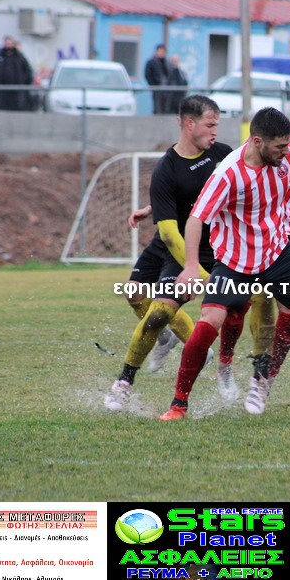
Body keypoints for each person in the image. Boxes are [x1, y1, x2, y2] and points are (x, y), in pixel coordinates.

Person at [160, 107, 290, 420]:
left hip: (277, 254)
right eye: (280, 146)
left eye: (288, 145)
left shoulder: (285, 153)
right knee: (209, 323)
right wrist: (191, 266)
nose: (287, 151)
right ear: (258, 142)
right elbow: (195, 219)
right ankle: (178, 405)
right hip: (235, 263)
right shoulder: (228, 174)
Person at [104, 95, 232, 411]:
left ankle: (124, 382)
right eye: (210, 125)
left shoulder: (222, 154)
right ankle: (168, 339)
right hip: (173, 242)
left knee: (159, 312)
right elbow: (169, 233)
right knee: (134, 293)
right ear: (189, 124)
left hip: (205, 247)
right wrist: (197, 272)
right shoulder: (166, 168)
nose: (215, 131)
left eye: (216, 125)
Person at [215, 88, 290, 413]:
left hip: (284, 233)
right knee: (238, 305)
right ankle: (225, 365)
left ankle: (264, 378)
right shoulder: (270, 142)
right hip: (248, 233)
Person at [0, 35, 33, 111]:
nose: (8, 46)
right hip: (2, 92)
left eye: (9, 43)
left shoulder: (19, 57)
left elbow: (27, 71)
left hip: (17, 92)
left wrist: (24, 82)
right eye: (6, 43)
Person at [144, 44, 171, 115]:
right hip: (157, 88)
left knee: (166, 106)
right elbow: (147, 75)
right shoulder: (151, 62)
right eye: (159, 51)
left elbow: (169, 74)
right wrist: (153, 85)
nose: (161, 53)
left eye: (162, 51)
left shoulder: (166, 62)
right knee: (157, 106)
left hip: (166, 89)